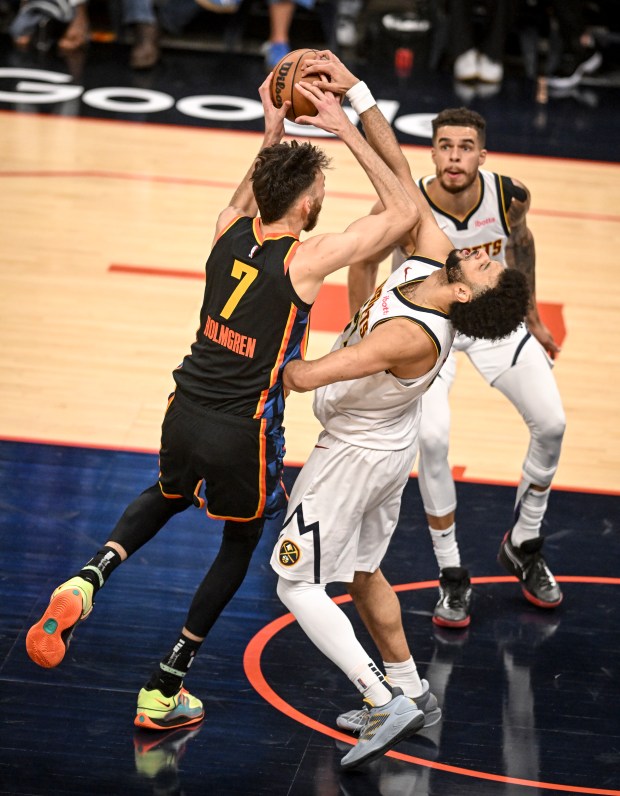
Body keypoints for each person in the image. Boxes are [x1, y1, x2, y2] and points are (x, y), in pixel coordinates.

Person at [25, 72, 418, 731]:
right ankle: (165, 684)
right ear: (301, 203)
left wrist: (272, 133)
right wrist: (345, 126)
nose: (322, 194)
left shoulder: (227, 228)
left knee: (168, 492)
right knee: (241, 543)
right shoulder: (307, 259)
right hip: (244, 428)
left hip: (186, 405)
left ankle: (89, 576)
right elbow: (403, 213)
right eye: (317, 188)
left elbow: (252, 189)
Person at [270, 52, 530, 770]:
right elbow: (399, 186)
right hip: (387, 452)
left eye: (488, 265)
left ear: (475, 295)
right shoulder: (432, 258)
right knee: (362, 575)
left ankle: (380, 700)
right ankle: (413, 691)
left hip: (354, 456)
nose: (481, 252)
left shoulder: (412, 334)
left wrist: (264, 344)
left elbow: (304, 374)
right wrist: (352, 104)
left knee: (294, 581)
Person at [347, 106, 566, 630]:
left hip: (493, 319)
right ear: (433, 151)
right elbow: (362, 261)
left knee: (552, 423)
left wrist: (531, 314)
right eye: (445, 145)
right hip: (431, 325)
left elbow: (523, 245)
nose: (454, 156)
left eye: (464, 147)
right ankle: (451, 574)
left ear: (481, 155)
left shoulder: (510, 195)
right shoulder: (404, 202)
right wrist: (365, 327)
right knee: (435, 441)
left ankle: (524, 543)